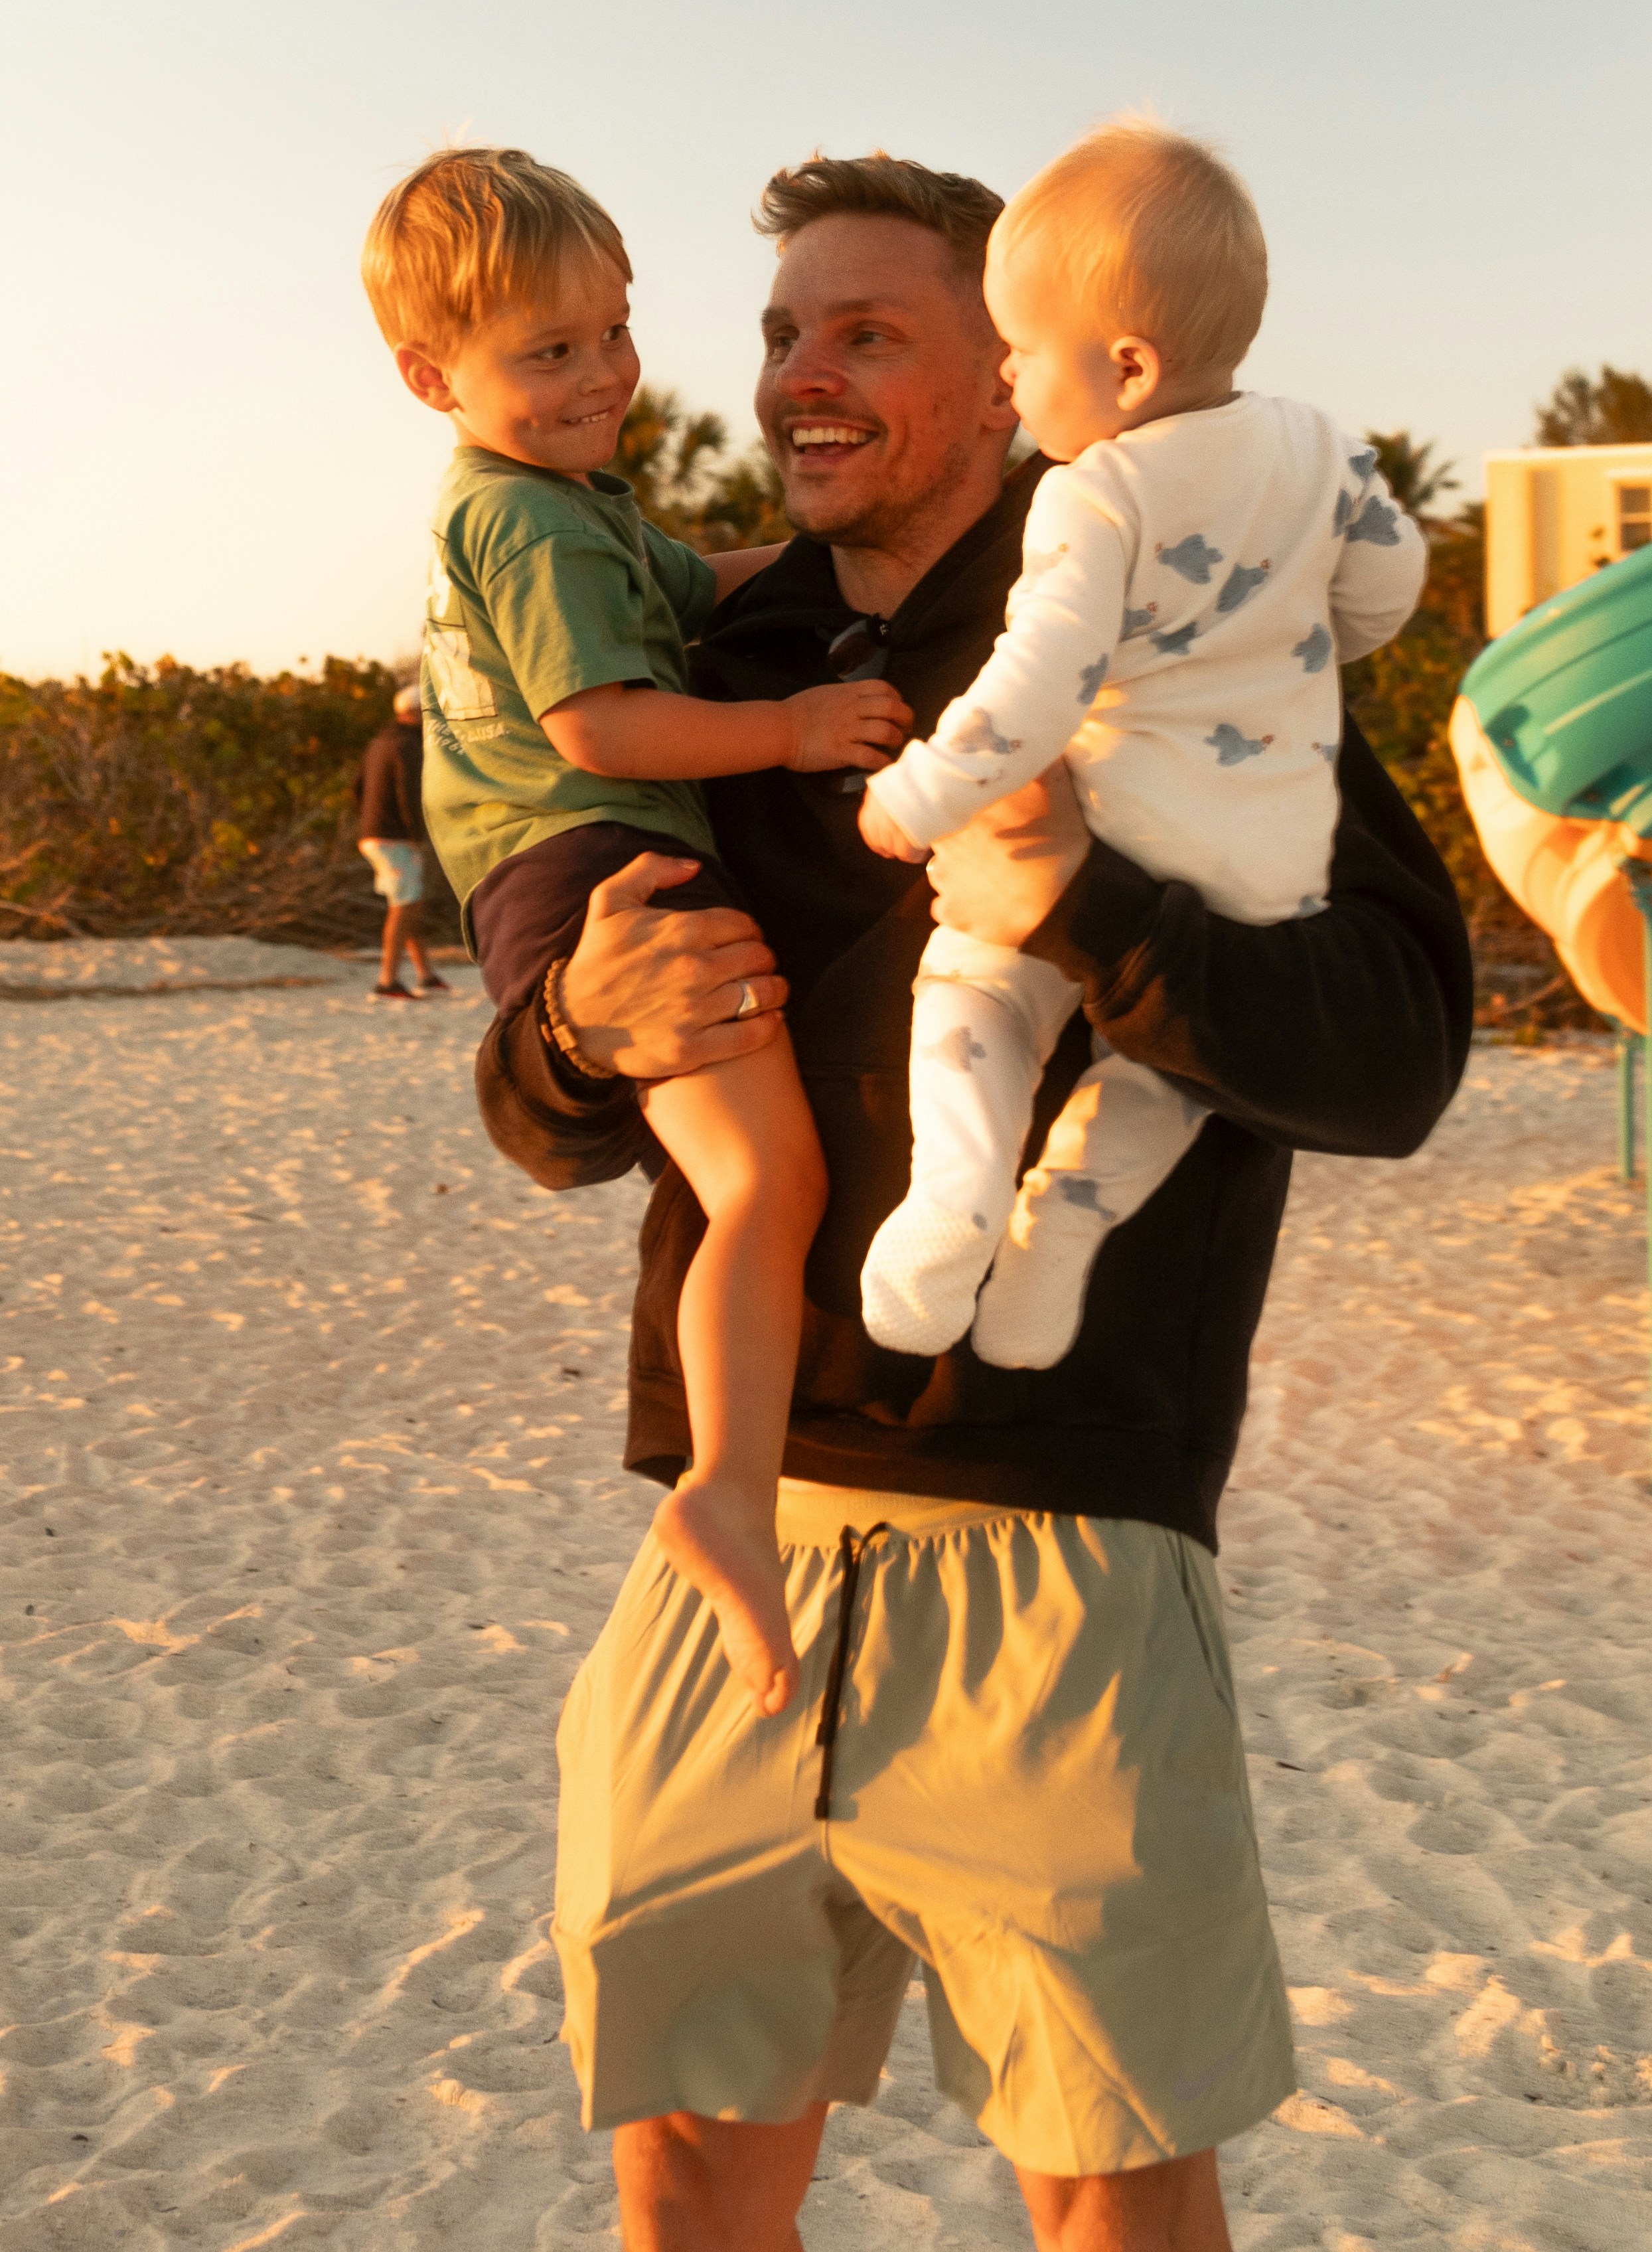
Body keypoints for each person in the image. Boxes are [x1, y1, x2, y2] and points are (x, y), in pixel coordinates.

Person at [474, 149, 1473, 2252]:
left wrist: (1084, 898)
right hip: (729, 1526)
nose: (795, 378)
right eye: (773, 334)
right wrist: (571, 1024)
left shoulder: (1188, 598)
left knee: (1102, 2178)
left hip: (1063, 1530)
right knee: (686, 2148)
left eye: (866, 332)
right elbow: (555, 1115)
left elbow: (1390, 1049)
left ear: (1018, 375)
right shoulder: (719, 657)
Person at [361, 147, 911, 1719]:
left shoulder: (567, 505)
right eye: (551, 352)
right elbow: (602, 720)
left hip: (563, 865)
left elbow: (710, 584)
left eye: (613, 328)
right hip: (592, 855)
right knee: (766, 1176)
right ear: (430, 376)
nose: (605, 372)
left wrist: (830, 557)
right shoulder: (528, 524)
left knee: (757, 1175)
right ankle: (729, 1484)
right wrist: (799, 727)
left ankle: (731, 1478)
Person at [856, 120, 1427, 1366]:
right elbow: (1390, 579)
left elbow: (1040, 682)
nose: (1009, 380)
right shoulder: (1320, 444)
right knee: (1163, 1070)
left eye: (1014, 350)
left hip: (1112, 820)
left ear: (1121, 367)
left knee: (978, 990)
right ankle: (1062, 1221)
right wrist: (1305, 646)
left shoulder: (1092, 490)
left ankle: (954, 1193)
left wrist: (923, 791)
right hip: (1265, 857)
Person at [354, 683, 446, 1001]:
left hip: (373, 836)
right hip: (397, 839)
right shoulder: (408, 744)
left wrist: (368, 825)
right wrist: (417, 835)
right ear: (417, 712)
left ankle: (426, 975)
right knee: (404, 906)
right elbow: (409, 792)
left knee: (410, 902)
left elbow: (358, 788)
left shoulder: (379, 741)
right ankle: (387, 982)